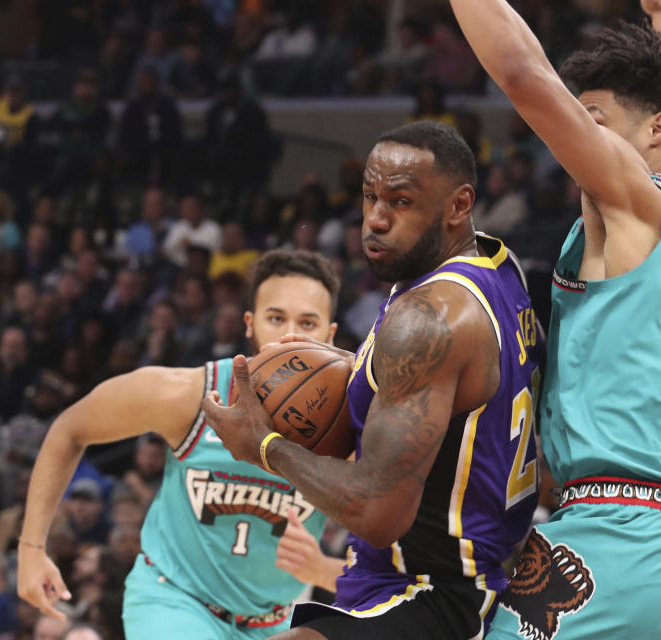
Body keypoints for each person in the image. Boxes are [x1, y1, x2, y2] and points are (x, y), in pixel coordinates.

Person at [447, 0, 661, 638]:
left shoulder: (639, 201)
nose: (579, 136)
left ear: (655, 130)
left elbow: (526, 76)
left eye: (595, 120)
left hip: (621, 533)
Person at [201, 121, 545, 639]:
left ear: (459, 206)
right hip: (443, 573)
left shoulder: (426, 317)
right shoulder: (498, 265)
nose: (376, 220)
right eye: (369, 197)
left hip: (436, 591)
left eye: (401, 202)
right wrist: (361, 365)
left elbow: (376, 510)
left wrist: (265, 446)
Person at [17, 250, 345, 638]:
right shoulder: (188, 395)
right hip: (173, 601)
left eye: (308, 322)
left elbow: (408, 572)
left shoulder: (353, 429)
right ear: (249, 324)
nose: (290, 334)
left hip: (275, 622)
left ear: (330, 334)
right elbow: (71, 428)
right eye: (276, 318)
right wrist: (31, 548)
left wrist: (325, 570)